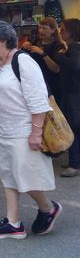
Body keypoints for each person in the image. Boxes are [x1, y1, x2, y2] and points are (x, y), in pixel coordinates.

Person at [0, 20, 61, 239]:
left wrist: (36, 132)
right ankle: (13, 223)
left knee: (25, 178)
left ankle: (48, 208)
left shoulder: (23, 61)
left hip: (23, 130)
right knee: (8, 176)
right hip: (0, 129)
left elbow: (38, 99)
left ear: (4, 40)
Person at [52, 18, 80, 178]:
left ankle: (74, 164)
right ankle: (74, 161)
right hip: (74, 93)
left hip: (73, 95)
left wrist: (58, 56)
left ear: (70, 31)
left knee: (73, 127)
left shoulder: (74, 48)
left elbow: (75, 65)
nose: (60, 32)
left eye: (63, 29)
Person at [22, 17, 65, 104]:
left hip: (52, 85)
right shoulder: (35, 41)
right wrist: (24, 47)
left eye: (44, 28)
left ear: (53, 30)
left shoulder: (58, 46)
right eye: (39, 28)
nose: (41, 31)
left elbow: (56, 69)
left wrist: (42, 53)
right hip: (36, 83)